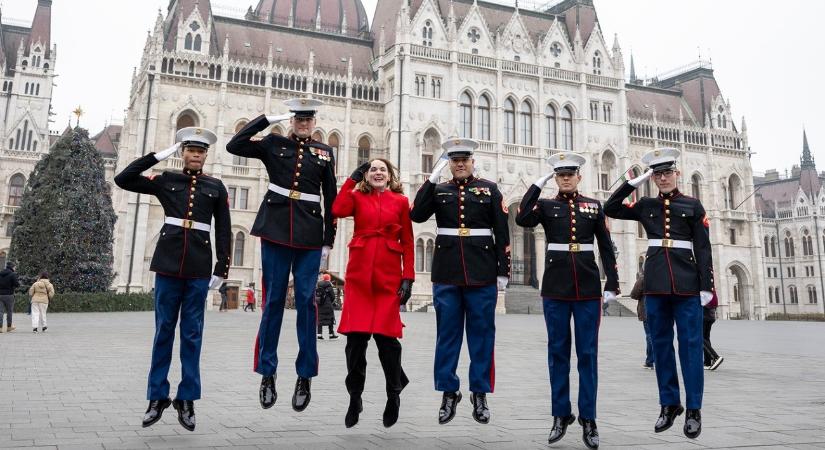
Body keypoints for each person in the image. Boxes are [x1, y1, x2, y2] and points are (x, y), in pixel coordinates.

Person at [114, 126, 231, 432]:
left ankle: (187, 399)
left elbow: (224, 230)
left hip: (198, 268)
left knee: (192, 335)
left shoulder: (216, 187)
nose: (196, 155)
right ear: (183, 153)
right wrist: (159, 155)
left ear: (206, 155)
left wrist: (222, 268)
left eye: (201, 151)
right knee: (163, 332)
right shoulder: (166, 180)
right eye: (191, 150)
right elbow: (123, 178)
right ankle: (157, 397)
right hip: (167, 265)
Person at [226, 98, 337, 412]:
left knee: (307, 302)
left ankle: (305, 375)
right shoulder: (273, 144)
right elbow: (235, 145)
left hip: (309, 234)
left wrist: (328, 240)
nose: (303, 124)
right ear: (291, 121)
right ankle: (267, 372)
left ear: (314, 123)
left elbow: (331, 197)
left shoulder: (324, 153)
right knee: (272, 301)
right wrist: (267, 119)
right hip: (275, 229)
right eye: (298, 119)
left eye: (308, 119)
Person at [604, 148, 713, 439]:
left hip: (686, 285)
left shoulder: (693, 205)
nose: (663, 178)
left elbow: (703, 249)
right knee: (661, 347)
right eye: (658, 174)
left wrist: (706, 287)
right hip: (655, 285)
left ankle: (693, 409)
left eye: (667, 173)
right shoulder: (646, 205)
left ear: (677, 174)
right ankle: (669, 404)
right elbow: (610, 207)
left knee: (690, 347)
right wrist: (635, 181)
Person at [516, 152, 618, 450]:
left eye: (569, 174)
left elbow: (606, 246)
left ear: (578, 177)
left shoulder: (593, 206)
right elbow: (522, 217)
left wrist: (612, 282)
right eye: (560, 175)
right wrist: (537, 185)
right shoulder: (546, 206)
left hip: (587, 289)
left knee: (587, 355)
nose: (565, 178)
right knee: (558, 354)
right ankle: (560, 415)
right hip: (556, 289)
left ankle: (589, 418)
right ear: (556, 178)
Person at [410, 138, 510, 426]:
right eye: (455, 160)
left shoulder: (489, 189)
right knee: (447, 336)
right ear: (449, 164)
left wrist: (503, 271)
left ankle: (480, 393)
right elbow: (416, 214)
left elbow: (502, 231)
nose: (460, 164)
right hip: (447, 272)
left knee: (482, 336)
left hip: (482, 272)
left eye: (464, 159)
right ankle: (448, 391)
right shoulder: (439, 189)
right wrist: (432, 178)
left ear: (472, 162)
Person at [333, 158, 414, 428]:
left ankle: (394, 394)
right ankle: (355, 397)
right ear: (366, 176)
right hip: (359, 278)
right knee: (355, 344)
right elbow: (337, 208)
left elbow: (408, 242)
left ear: (389, 176)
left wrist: (408, 277)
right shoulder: (357, 197)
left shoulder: (401, 202)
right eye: (372, 170)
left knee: (387, 343)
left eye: (383, 169)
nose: (378, 172)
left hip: (387, 280)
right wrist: (352, 179)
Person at [631, 274, 655, 370]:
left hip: (647, 309)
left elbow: (634, 294)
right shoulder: (662, 275)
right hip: (661, 310)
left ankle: (650, 361)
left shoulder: (643, 277)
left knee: (650, 335)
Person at [703, 290, 724, 370]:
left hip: (704, 314)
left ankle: (715, 357)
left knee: (699, 337)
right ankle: (707, 362)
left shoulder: (701, 287)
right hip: (711, 314)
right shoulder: (710, 287)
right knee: (706, 337)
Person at [0, 261, 20, 333]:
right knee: (9, 311)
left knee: (0, 311)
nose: (15, 268)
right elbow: (17, 284)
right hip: (9, 295)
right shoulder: (12, 274)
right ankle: (9, 327)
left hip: (0, 295)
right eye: (14, 267)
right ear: (12, 267)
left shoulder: (0, 273)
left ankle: (0, 328)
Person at [315, 274, 337, 340]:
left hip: (320, 305)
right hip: (328, 305)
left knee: (320, 320)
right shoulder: (329, 286)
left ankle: (319, 335)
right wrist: (331, 302)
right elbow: (333, 297)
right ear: (329, 279)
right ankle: (331, 334)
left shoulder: (318, 285)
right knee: (330, 319)